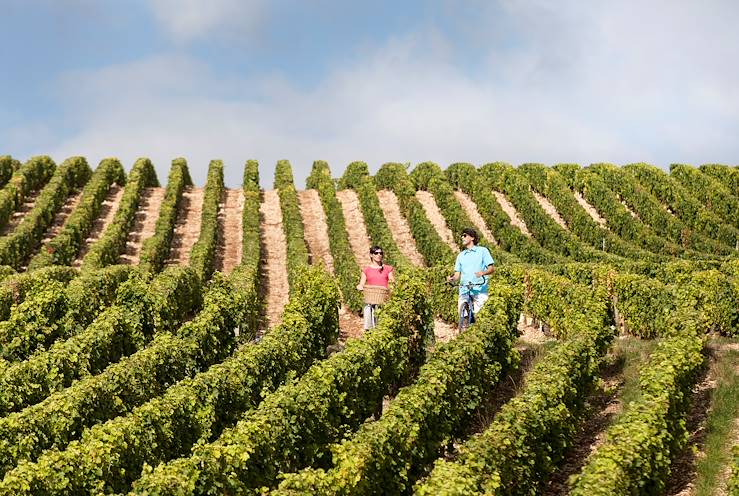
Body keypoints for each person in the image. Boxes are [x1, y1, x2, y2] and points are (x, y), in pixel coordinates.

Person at [447, 228, 495, 321]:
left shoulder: (482, 251)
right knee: (462, 314)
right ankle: (464, 330)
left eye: (465, 235)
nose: (462, 237)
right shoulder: (461, 256)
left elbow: (491, 269)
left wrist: (483, 273)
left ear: (472, 237)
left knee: (480, 317)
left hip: (480, 289)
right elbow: (457, 275)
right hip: (464, 289)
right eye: (462, 236)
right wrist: (452, 278)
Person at [356, 245, 395, 330]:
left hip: (384, 300)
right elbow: (362, 283)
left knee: (383, 325)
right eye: (376, 253)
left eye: (381, 253)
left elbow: (392, 281)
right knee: (370, 325)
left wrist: (391, 289)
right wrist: (360, 286)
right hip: (371, 299)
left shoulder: (388, 269)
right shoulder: (366, 270)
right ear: (371, 255)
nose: (379, 255)